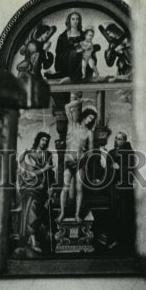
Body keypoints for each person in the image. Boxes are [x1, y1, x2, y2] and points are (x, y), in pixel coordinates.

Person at [59, 94, 97, 222]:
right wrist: (82, 100)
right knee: (65, 188)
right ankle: (62, 213)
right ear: (84, 115)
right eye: (88, 117)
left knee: (79, 188)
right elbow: (66, 107)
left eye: (91, 119)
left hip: (80, 161)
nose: (89, 120)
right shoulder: (72, 125)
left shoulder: (89, 132)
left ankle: (77, 214)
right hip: (68, 160)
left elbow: (91, 151)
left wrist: (86, 155)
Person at [18, 132, 55, 252]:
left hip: (42, 189)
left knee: (41, 212)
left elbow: (50, 174)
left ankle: (31, 239)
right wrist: (45, 169)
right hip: (30, 188)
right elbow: (30, 174)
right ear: (38, 140)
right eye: (42, 140)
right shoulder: (29, 154)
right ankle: (33, 241)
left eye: (46, 140)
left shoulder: (47, 155)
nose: (44, 142)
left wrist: (51, 187)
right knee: (32, 210)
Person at [54, 10, 85, 81]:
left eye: (77, 19)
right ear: (69, 20)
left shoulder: (83, 35)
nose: (75, 21)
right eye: (73, 19)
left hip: (81, 64)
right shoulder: (62, 36)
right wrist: (74, 52)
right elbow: (59, 53)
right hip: (67, 65)